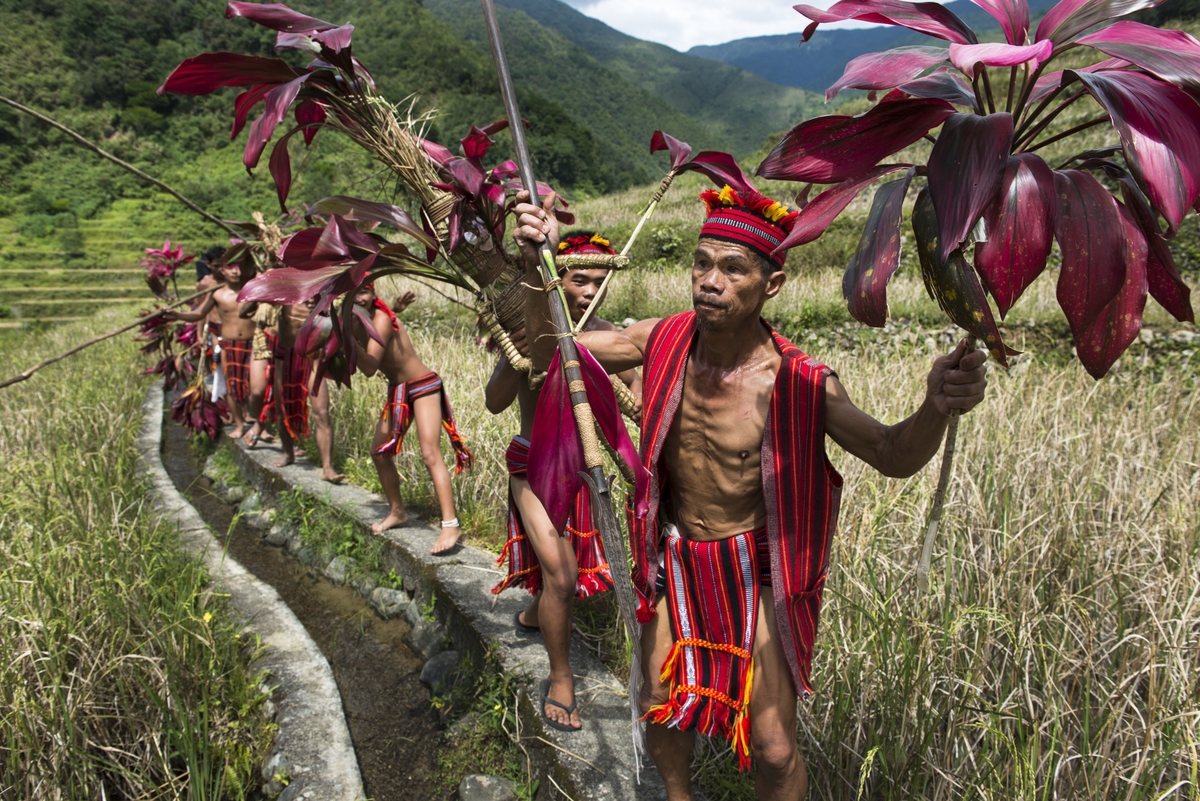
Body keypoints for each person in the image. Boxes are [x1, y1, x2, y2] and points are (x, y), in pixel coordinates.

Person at [515, 185, 989, 800]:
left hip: (758, 569)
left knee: (773, 745)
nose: (710, 280)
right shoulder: (660, 341)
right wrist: (534, 267)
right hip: (676, 556)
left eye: (733, 267)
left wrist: (936, 405)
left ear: (773, 284)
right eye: (702, 262)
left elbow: (891, 453)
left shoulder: (797, 380)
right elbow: (552, 347)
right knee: (659, 699)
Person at [485, 231, 642, 733]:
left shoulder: (606, 332)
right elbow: (494, 401)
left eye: (599, 280)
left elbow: (636, 393)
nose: (590, 289)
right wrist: (521, 357)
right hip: (532, 466)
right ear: (558, 279)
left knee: (560, 579)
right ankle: (561, 678)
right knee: (563, 577)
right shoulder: (529, 327)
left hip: (583, 468)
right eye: (579, 279)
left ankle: (534, 615)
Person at [349, 283, 472, 553]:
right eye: (354, 292)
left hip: (423, 386)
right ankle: (397, 512)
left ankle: (450, 524)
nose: (361, 297)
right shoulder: (355, 319)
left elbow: (369, 367)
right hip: (398, 391)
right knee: (379, 453)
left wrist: (345, 339)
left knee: (430, 455)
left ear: (373, 293)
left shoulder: (381, 319)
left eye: (366, 292)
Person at [169, 253, 257, 438]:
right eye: (229, 267)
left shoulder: (253, 289)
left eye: (238, 267)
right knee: (231, 386)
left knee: (256, 386)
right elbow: (199, 313)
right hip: (227, 344)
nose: (234, 271)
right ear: (222, 270)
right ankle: (239, 425)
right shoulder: (217, 294)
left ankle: (260, 425)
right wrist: (177, 315)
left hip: (253, 343)